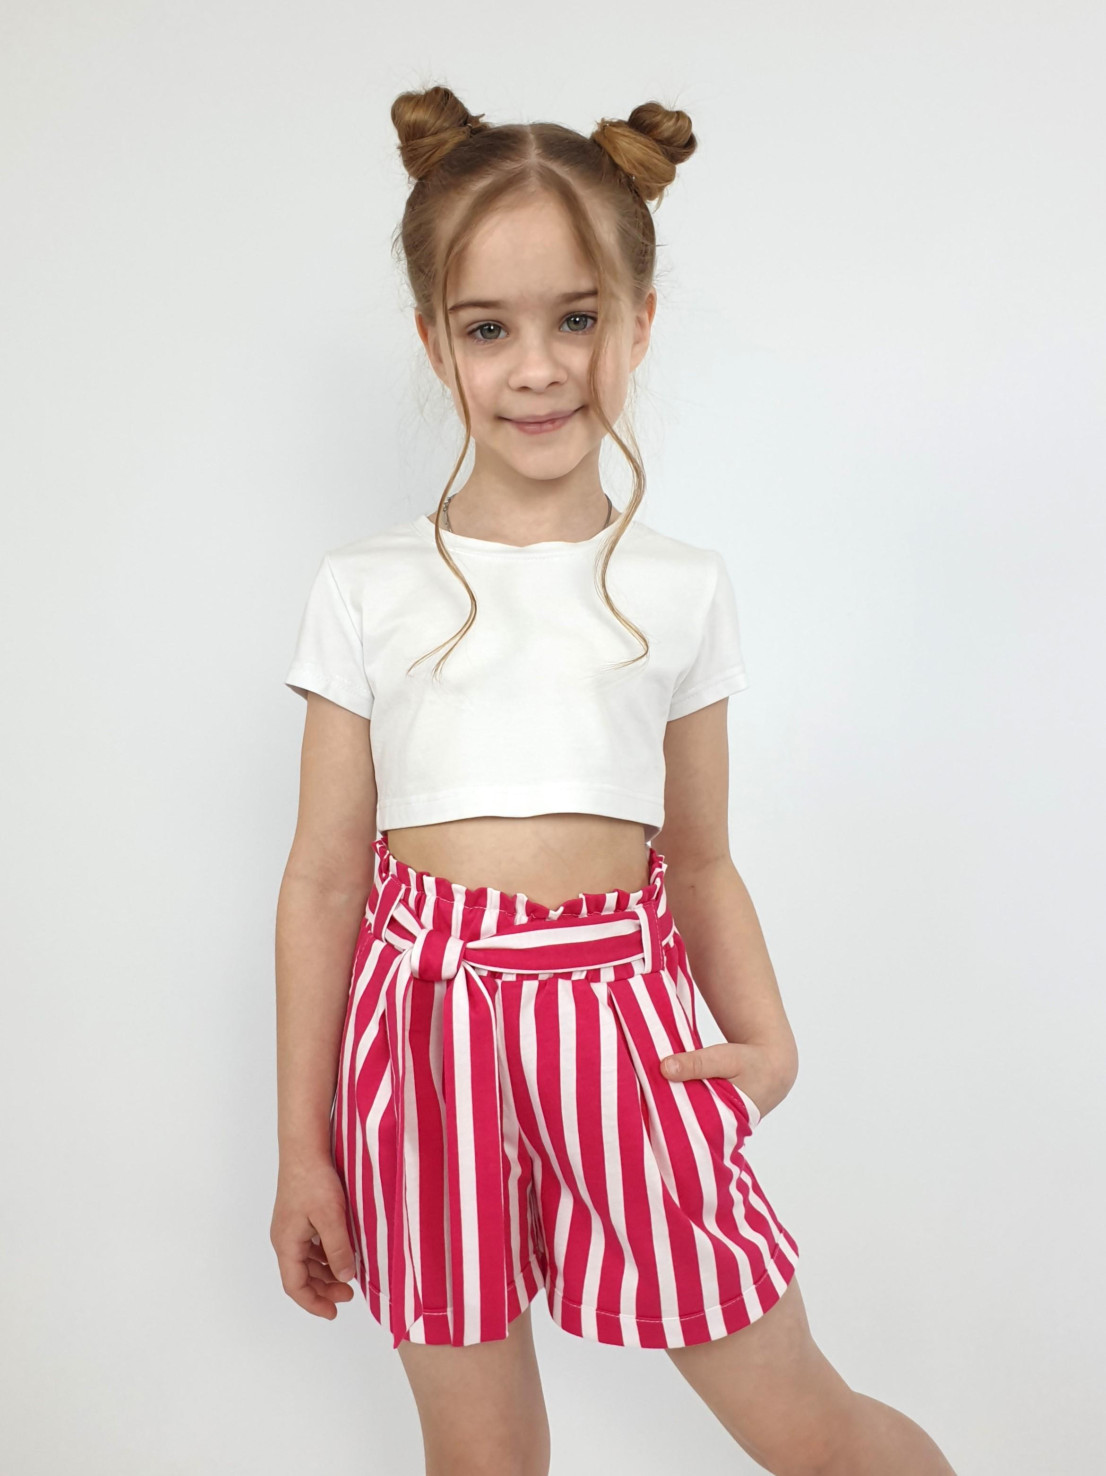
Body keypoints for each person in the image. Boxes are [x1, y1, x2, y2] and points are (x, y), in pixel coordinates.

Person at [271, 83, 958, 1476]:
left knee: (810, 1427)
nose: (537, 368)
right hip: (422, 1037)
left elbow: (697, 859)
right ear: (433, 342)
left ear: (639, 323)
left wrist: (768, 1041)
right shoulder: (365, 587)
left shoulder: (680, 588)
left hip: (625, 1037)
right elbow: (325, 878)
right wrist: (302, 1148)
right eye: (488, 328)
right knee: (482, 1459)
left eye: (575, 319)